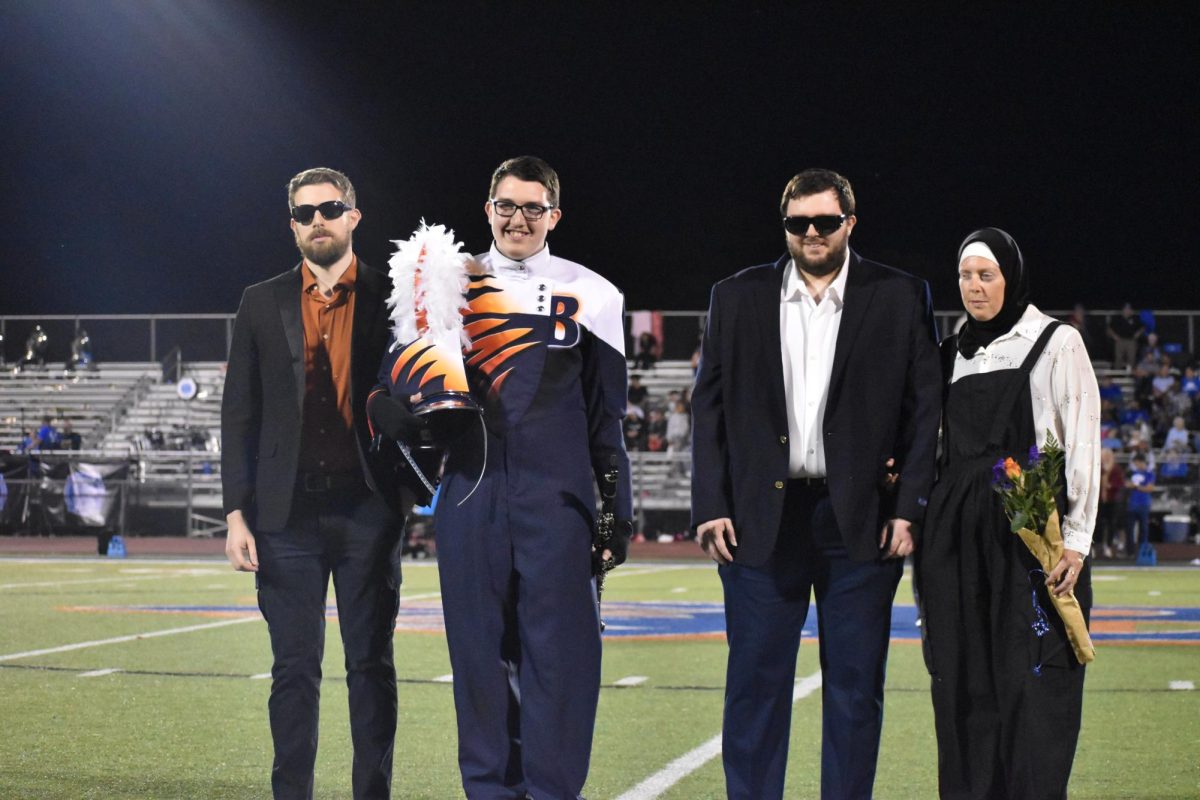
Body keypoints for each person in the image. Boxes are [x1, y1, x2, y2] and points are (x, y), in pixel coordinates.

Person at [384, 156, 632, 798]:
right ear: (487, 210)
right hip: (471, 496)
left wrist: (615, 511)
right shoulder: (444, 286)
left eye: (532, 207)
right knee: (477, 663)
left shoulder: (595, 293)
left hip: (558, 502)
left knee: (561, 664)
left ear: (554, 214)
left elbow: (607, 422)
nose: (517, 218)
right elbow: (419, 402)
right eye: (505, 206)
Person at [690, 168, 941, 800]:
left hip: (861, 519)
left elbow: (924, 410)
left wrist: (909, 506)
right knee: (754, 685)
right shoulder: (737, 294)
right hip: (758, 520)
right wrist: (710, 504)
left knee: (856, 690)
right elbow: (709, 407)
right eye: (797, 222)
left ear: (849, 224)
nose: (810, 233)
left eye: (825, 222)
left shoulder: (900, 294)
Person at [221, 167, 419, 800]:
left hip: (369, 509)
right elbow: (239, 414)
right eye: (305, 213)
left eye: (330, 209)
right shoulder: (260, 300)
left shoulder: (396, 294)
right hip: (285, 518)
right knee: (294, 671)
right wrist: (234, 514)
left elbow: (424, 387)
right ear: (292, 225)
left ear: (354, 216)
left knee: (370, 666)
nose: (318, 221)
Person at [917, 227, 1100, 799]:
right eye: (966, 276)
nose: (974, 287)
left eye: (986, 275)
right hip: (955, 536)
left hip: (1029, 534)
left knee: (1032, 680)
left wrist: (1076, 539)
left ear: (1011, 277)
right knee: (963, 680)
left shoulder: (1056, 342)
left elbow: (1082, 440)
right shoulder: (948, 352)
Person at [1097, 448, 1126, 558]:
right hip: (1099, 500)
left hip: (1112, 500)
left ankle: (1108, 546)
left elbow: (1120, 484)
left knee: (1111, 524)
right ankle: (1097, 546)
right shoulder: (1097, 467)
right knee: (1097, 524)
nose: (1106, 458)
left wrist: (1110, 486)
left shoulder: (1116, 468)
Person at [1126, 452, 1155, 549]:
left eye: (1136, 463)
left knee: (1144, 528)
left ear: (1141, 462)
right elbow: (1127, 484)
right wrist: (1140, 487)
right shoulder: (1132, 473)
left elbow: (1150, 488)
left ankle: (1143, 549)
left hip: (1143, 504)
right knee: (1129, 528)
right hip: (1132, 504)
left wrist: (1137, 486)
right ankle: (1130, 550)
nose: (1136, 465)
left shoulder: (1149, 473)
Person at [1107, 302, 1143, 370]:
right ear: (1123, 310)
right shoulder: (1118, 319)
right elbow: (1109, 328)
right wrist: (1114, 336)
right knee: (1118, 358)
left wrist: (1137, 334)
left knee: (1131, 357)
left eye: (1129, 309)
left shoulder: (1134, 319)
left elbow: (1142, 327)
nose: (1127, 311)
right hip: (1120, 340)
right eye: (1126, 309)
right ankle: (1117, 373)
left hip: (1131, 341)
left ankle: (1129, 374)